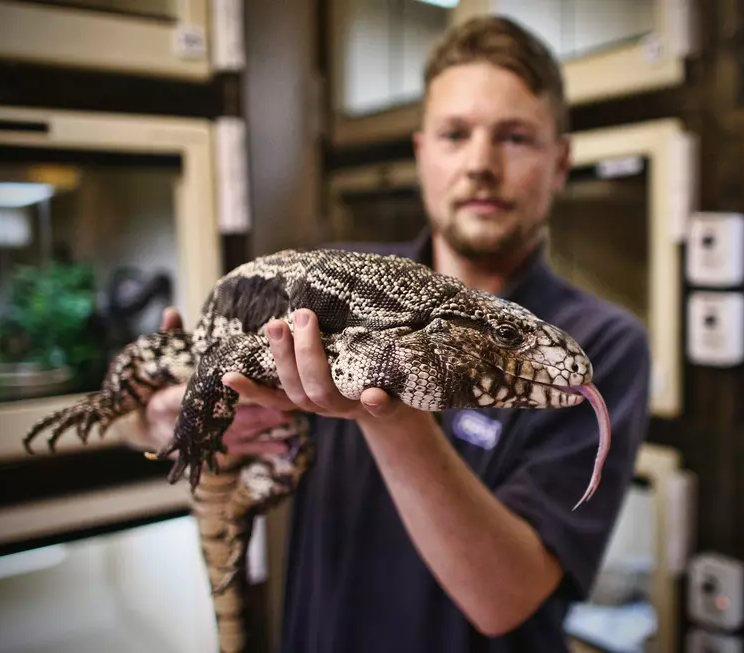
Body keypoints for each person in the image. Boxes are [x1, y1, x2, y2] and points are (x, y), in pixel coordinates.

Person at [130, 15, 652, 653]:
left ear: (561, 161)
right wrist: (173, 417)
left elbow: (505, 599)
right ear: (422, 151)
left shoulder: (600, 346)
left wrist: (389, 409)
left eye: (515, 137)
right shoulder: (333, 284)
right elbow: (146, 421)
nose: (481, 165)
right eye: (455, 134)